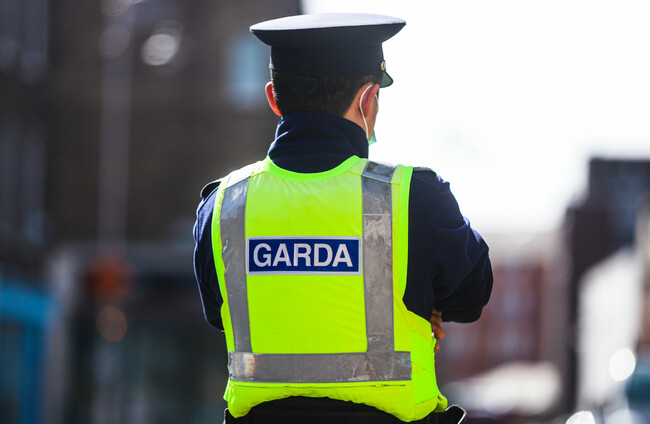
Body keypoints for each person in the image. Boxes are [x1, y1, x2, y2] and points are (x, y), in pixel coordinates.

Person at [193, 13, 493, 424]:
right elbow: (472, 295)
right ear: (368, 99)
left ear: (274, 99)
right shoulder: (416, 198)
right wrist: (421, 300)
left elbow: (219, 313)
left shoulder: (223, 205)